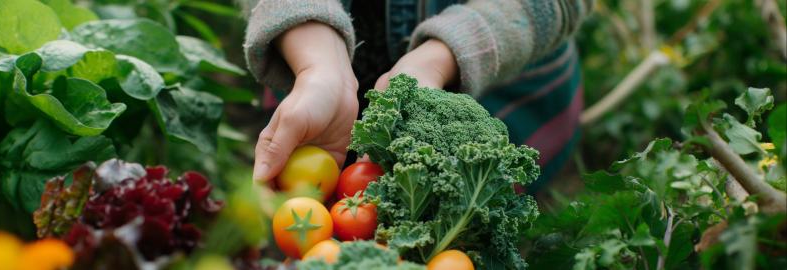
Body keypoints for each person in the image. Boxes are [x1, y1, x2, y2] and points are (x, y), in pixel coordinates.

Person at [244, 0, 592, 192]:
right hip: (317, 96)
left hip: (496, 94)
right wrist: (318, 64)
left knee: (469, 221)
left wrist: (438, 61)